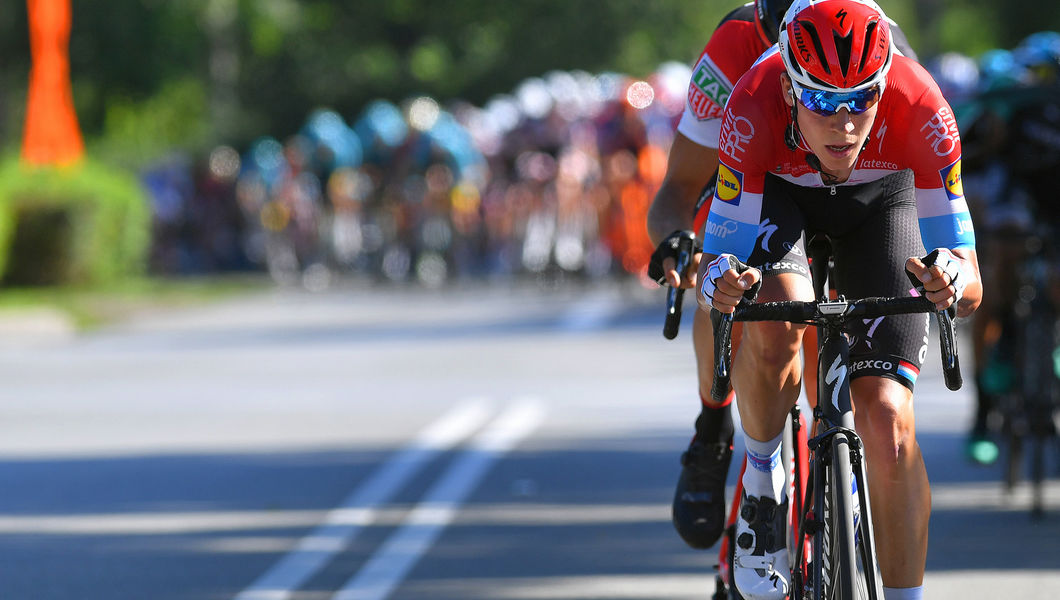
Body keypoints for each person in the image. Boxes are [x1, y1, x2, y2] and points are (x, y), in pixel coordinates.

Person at [693, 0, 982, 598]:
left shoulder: (923, 105)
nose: (844, 123)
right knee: (775, 323)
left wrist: (950, 277)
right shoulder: (750, 105)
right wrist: (721, 282)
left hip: (883, 204)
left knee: (886, 420)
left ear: (886, 83)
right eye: (823, 102)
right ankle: (764, 477)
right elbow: (718, 260)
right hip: (782, 197)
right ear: (790, 86)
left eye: (861, 100)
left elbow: (971, 281)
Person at [646, 0, 917, 551]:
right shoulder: (732, 50)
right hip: (755, 182)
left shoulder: (879, 44)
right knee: (718, 270)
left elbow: (921, 185)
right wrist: (680, 242)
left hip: (856, 197)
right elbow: (678, 186)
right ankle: (713, 426)